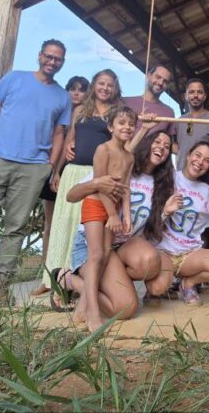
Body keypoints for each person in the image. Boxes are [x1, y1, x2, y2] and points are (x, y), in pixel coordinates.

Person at [0, 39, 72, 306]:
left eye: (57, 59)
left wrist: (50, 166)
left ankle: (2, 286)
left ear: (62, 63)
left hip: (33, 167)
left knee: (16, 226)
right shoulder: (15, 79)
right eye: (48, 56)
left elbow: (59, 134)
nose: (52, 62)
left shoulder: (62, 96)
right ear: (40, 56)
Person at [59, 129, 177, 322]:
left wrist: (165, 213)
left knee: (149, 261)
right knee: (126, 309)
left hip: (122, 245)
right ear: (146, 144)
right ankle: (70, 281)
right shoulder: (118, 166)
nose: (161, 148)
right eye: (157, 142)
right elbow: (71, 195)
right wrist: (96, 183)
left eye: (167, 147)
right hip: (94, 244)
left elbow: (148, 229)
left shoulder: (160, 184)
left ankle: (104, 281)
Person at [39, 69, 122, 293]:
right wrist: (57, 172)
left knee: (83, 229)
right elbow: (69, 141)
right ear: (95, 84)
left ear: (115, 89)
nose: (105, 88)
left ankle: (79, 280)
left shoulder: (115, 113)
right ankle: (50, 280)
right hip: (73, 172)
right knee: (62, 225)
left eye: (110, 85)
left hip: (95, 175)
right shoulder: (79, 110)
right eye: (101, 83)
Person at [79, 108, 156, 332]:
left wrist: (126, 213)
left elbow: (125, 188)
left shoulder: (129, 156)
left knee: (104, 256)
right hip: (96, 205)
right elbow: (99, 183)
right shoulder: (103, 150)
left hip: (112, 208)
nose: (127, 127)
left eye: (131, 124)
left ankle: (81, 308)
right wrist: (112, 215)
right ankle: (93, 313)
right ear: (111, 127)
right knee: (96, 255)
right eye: (121, 123)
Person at [151, 140, 209, 306]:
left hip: (189, 254)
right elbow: (149, 225)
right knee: (157, 289)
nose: (200, 162)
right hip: (163, 251)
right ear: (188, 155)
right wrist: (166, 211)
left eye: (207, 160)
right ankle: (162, 282)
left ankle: (187, 283)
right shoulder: (169, 179)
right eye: (197, 155)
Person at [32, 75, 90, 296]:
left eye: (81, 90)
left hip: (76, 171)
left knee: (73, 225)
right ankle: (46, 276)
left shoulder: (87, 116)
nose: (76, 93)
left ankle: (70, 275)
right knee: (51, 226)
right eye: (72, 89)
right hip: (55, 169)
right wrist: (53, 171)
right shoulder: (58, 112)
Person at [174, 78, 209, 170]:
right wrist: (182, 152)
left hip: (205, 176)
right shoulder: (179, 121)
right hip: (181, 174)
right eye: (191, 92)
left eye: (200, 92)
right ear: (186, 96)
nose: (195, 95)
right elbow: (171, 143)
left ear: (205, 96)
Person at [125, 64, 175, 135]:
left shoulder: (169, 112)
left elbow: (171, 142)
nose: (161, 83)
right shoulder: (125, 102)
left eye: (165, 81)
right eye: (158, 77)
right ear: (148, 75)